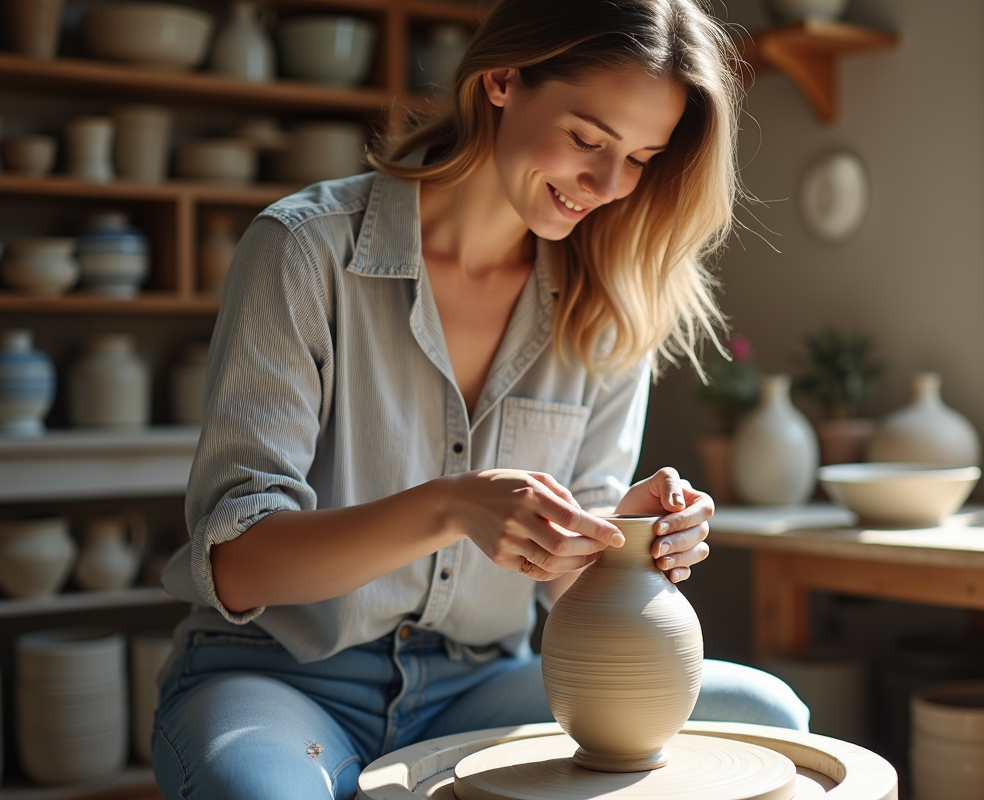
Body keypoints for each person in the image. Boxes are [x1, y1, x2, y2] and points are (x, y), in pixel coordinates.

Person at [153, 0, 809, 797]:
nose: (607, 185)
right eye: (587, 139)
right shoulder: (303, 251)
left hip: (479, 687)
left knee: (769, 713)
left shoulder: (609, 303)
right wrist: (449, 507)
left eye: (640, 157)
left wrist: (625, 534)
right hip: (281, 676)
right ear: (501, 82)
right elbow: (237, 563)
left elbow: (571, 590)